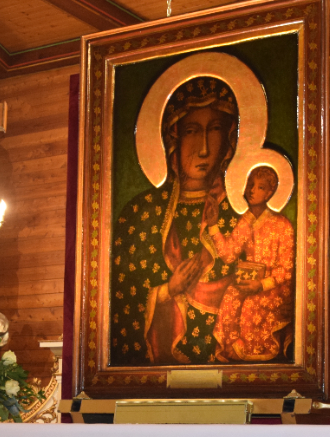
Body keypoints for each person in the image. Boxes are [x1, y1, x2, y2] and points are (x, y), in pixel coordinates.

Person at [110, 76, 243, 365]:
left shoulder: (239, 217)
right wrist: (168, 290)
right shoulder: (140, 214)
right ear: (174, 138)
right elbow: (118, 307)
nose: (204, 148)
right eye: (193, 131)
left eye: (215, 129)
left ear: (230, 138)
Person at [209, 165, 295, 362]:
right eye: (250, 184)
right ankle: (232, 351)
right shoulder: (245, 222)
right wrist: (213, 225)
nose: (252, 190)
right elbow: (229, 255)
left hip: (274, 288)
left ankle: (252, 352)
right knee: (231, 296)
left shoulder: (282, 224)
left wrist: (262, 285)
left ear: (271, 192)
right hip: (250, 282)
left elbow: (287, 269)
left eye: (260, 187)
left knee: (251, 303)